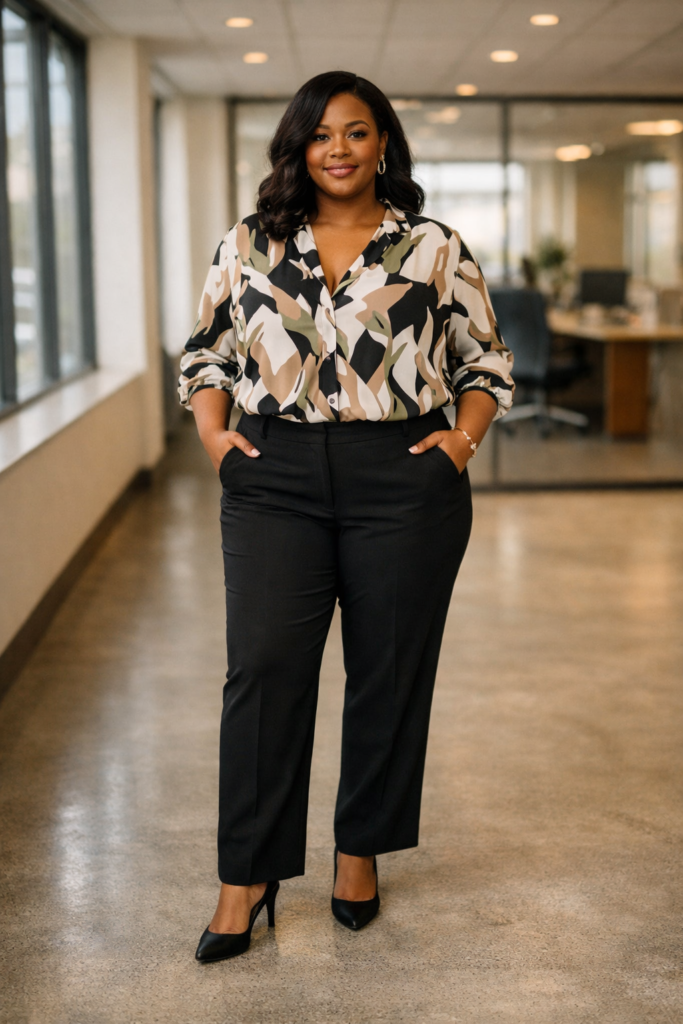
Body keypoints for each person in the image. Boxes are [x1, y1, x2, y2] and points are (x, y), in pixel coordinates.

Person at [178, 71, 514, 964]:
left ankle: (358, 851)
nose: (338, 148)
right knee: (262, 670)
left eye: (356, 132)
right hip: (273, 472)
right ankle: (244, 878)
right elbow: (207, 353)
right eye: (321, 134)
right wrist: (216, 440)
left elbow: (484, 363)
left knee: (387, 672)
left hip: (400, 473)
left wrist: (457, 446)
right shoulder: (250, 243)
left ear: (382, 145)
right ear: (298, 145)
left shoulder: (432, 245)